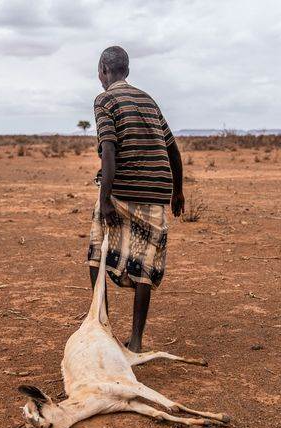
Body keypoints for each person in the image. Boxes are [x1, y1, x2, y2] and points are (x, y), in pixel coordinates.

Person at [87, 45, 184, 353]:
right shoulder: (149, 100)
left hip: (122, 191)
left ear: (103, 70)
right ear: (126, 71)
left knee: (97, 253)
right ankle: (137, 339)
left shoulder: (105, 100)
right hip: (155, 193)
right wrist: (177, 191)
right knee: (145, 264)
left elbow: (110, 150)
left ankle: (100, 324)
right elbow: (172, 149)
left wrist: (105, 200)